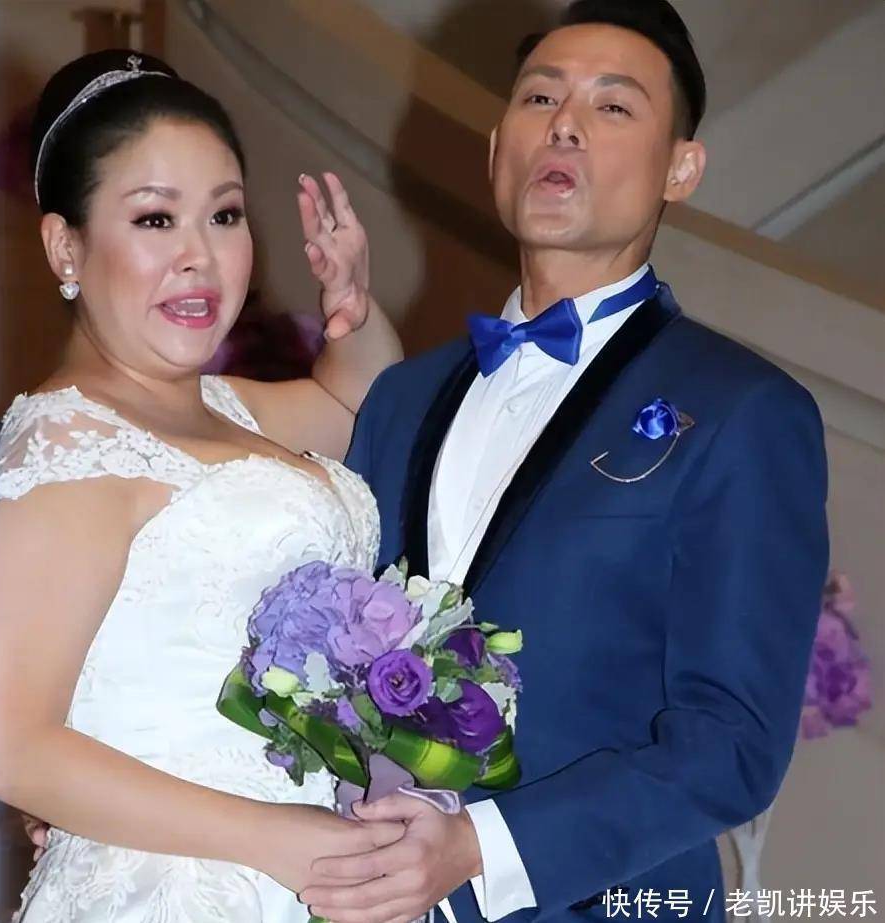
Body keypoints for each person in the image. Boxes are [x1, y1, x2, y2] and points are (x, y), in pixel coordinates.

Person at [304, 1, 829, 921]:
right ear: (496, 148)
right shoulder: (402, 398)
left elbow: (732, 744)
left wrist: (479, 848)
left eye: (612, 106)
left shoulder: (745, 412)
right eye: (540, 98)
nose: (565, 125)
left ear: (681, 169)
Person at [0, 49, 405, 922]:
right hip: (176, 887)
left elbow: (361, 407)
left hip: (302, 872)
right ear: (65, 245)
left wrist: (351, 300)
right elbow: (4, 746)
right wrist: (279, 837)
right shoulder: (69, 440)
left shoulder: (227, 407)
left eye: (224, 215)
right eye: (156, 219)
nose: (200, 255)